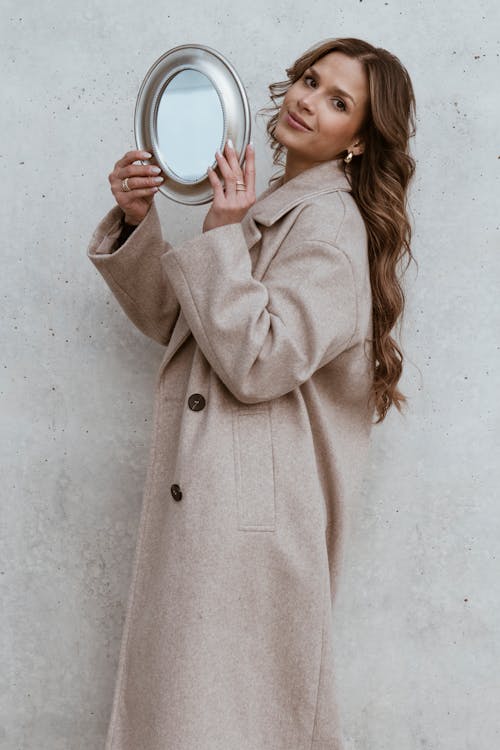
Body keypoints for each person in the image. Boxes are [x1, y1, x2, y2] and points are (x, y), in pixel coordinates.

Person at [87, 37, 416, 750]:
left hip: (250, 527)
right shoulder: (276, 208)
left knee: (219, 722)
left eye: (337, 101)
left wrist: (222, 233)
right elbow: (190, 329)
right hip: (221, 510)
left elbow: (259, 361)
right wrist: (143, 226)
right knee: (195, 718)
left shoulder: (329, 229)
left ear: (358, 140)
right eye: (308, 80)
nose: (307, 100)